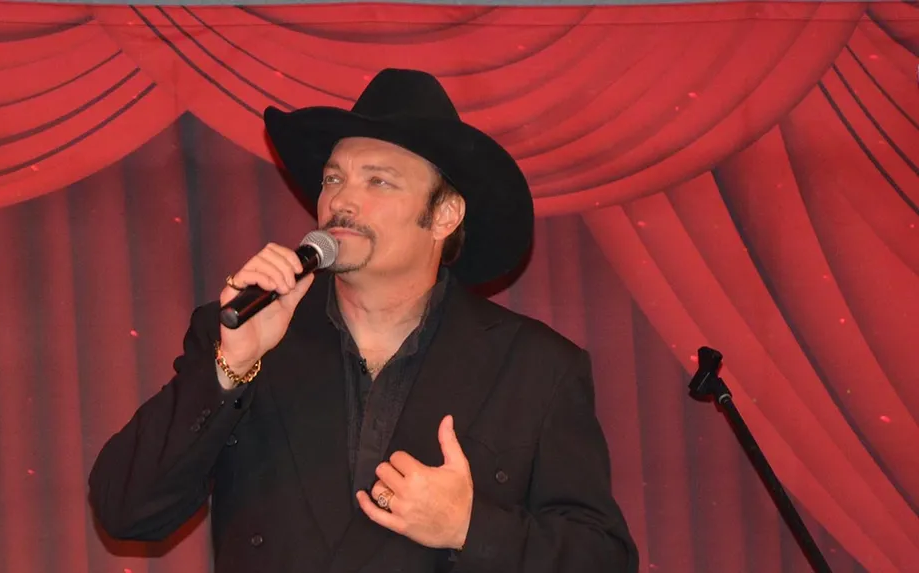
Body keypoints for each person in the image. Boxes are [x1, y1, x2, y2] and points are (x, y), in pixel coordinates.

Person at [89, 68, 638, 573]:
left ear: (444, 215)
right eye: (333, 180)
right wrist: (231, 368)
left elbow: (602, 558)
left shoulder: (537, 367)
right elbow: (125, 511)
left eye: (378, 182)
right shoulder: (244, 334)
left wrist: (470, 529)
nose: (341, 202)